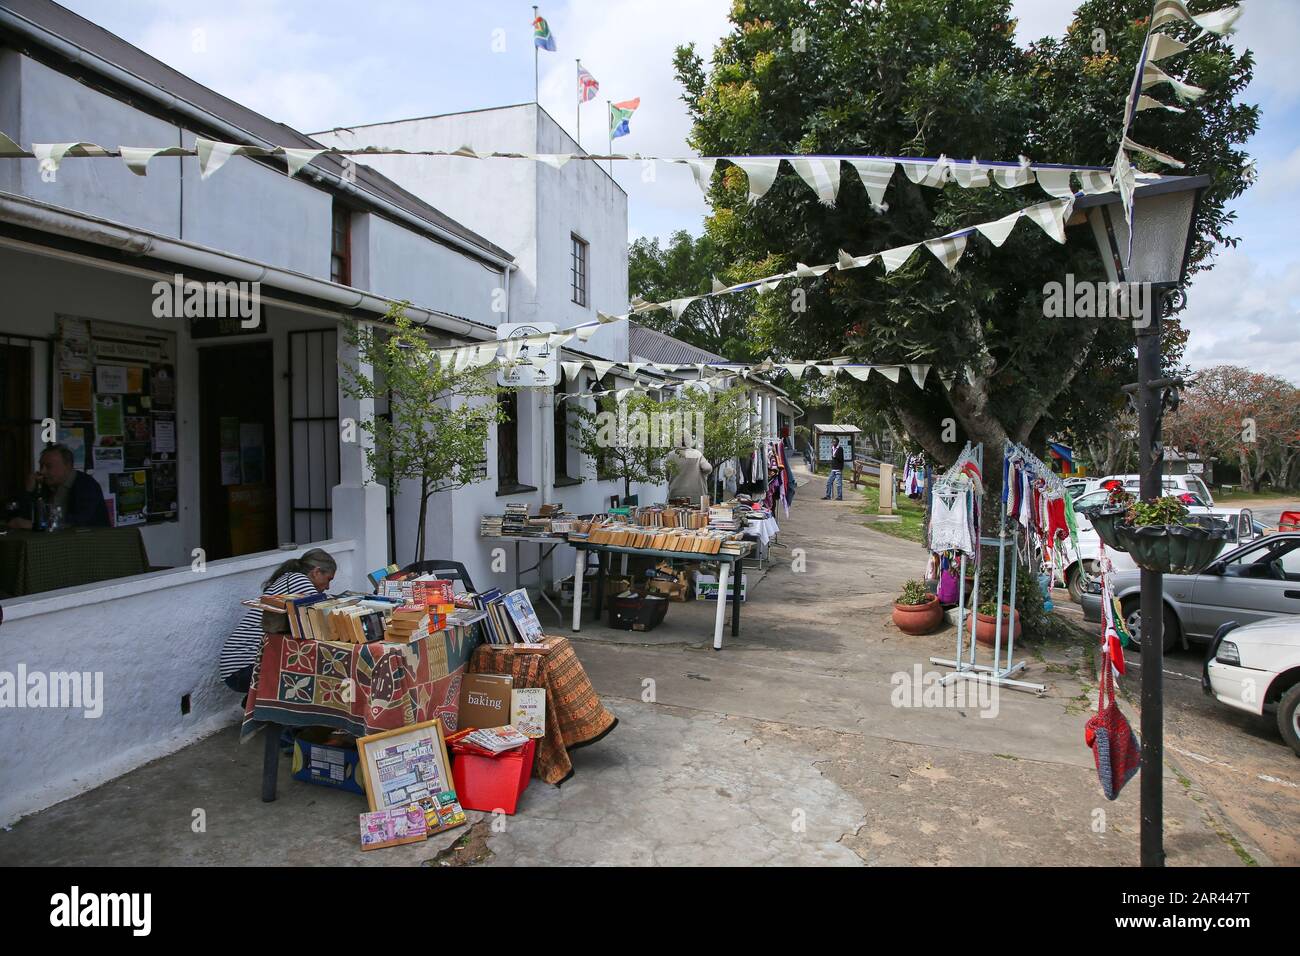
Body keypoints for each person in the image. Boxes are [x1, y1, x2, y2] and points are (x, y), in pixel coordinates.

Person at [219, 549, 337, 696]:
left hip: (237, 666)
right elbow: (326, 608)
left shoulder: (290, 579)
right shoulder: (298, 580)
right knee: (310, 669)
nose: (328, 586)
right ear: (316, 572)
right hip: (242, 668)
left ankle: (258, 705)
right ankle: (262, 708)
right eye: (328, 579)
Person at [7, 443, 109, 529]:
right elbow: (19, 516)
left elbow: (79, 522)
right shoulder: (44, 486)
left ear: (67, 466)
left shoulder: (86, 485)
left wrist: (35, 525)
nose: (42, 471)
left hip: (89, 545)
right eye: (41, 466)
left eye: (48, 466)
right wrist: (28, 491)